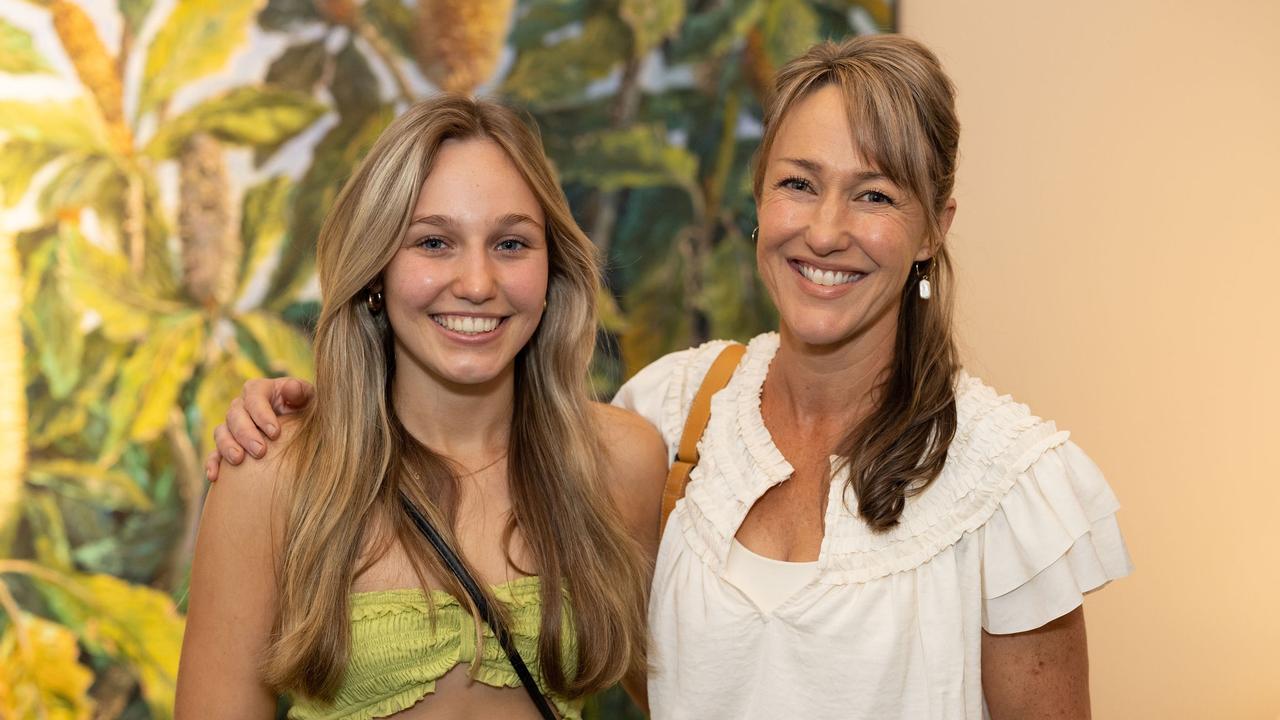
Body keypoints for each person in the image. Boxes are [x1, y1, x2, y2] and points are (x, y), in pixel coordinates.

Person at [208, 36, 1133, 719]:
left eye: (877, 193)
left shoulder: (1008, 484)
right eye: (799, 183)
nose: (826, 228)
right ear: (758, 197)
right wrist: (312, 409)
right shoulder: (674, 417)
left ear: (936, 225)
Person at [176, 94, 666, 720]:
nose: (477, 283)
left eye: (511, 244)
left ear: (553, 271)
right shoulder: (274, 474)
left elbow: (689, 694)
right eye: (434, 242)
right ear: (377, 268)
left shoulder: (621, 461)